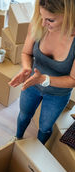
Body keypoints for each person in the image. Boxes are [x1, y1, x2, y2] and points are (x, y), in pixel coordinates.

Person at [9, 0, 75, 144]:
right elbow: (26, 53)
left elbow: (73, 79)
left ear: (69, 15)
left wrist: (44, 79)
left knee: (45, 127)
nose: (43, 23)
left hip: (57, 94)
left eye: (50, 20)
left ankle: (39, 151)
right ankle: (17, 138)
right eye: (41, 16)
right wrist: (26, 68)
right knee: (24, 115)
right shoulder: (39, 23)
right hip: (32, 84)